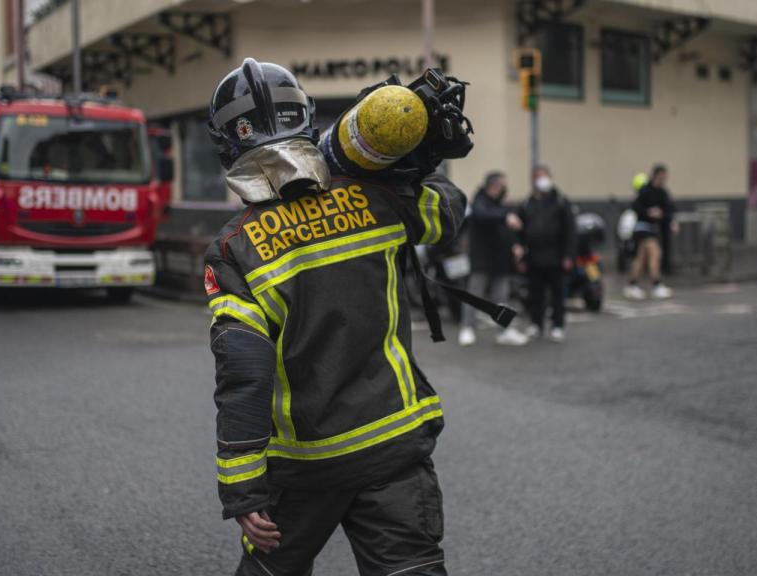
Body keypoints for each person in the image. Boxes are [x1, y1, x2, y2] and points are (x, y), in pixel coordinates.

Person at [203, 59, 467, 576]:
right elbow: (450, 212)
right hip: (394, 447)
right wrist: (406, 162)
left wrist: (242, 486)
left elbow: (244, 373)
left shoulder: (234, 248)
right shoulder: (380, 198)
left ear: (226, 145)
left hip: (304, 467)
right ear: (308, 119)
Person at [458, 171, 528, 347]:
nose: (505, 188)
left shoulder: (501, 205)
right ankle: (467, 328)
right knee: (475, 295)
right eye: (502, 184)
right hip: (482, 260)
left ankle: (504, 331)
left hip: (501, 260)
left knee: (502, 296)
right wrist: (506, 217)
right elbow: (484, 215)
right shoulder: (480, 202)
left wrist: (515, 245)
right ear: (493, 185)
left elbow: (506, 231)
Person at [518, 165, 576, 342]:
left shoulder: (560, 201)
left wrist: (568, 255)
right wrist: (520, 252)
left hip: (556, 256)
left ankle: (557, 325)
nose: (541, 180)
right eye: (538, 177)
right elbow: (520, 230)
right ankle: (536, 324)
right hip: (534, 256)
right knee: (536, 293)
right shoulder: (528, 203)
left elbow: (570, 231)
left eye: (544, 176)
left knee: (557, 293)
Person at [624, 164, 676, 300]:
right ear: (655, 175)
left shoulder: (662, 192)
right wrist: (649, 212)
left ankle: (632, 284)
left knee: (640, 258)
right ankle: (656, 285)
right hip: (643, 228)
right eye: (661, 176)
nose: (664, 179)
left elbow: (669, 208)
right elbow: (636, 207)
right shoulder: (645, 191)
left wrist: (667, 218)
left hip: (652, 229)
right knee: (655, 253)